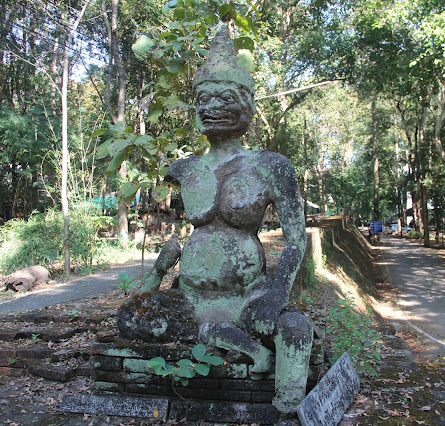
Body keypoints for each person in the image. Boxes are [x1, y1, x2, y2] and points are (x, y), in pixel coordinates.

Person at [133, 25, 312, 415]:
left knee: (295, 329)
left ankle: (288, 409)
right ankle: (217, 332)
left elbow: (297, 240)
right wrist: (160, 271)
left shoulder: (271, 166)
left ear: (248, 105)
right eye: (203, 98)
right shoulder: (186, 168)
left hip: (250, 297)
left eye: (225, 97)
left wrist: (277, 295)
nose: (211, 106)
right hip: (191, 298)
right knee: (132, 319)